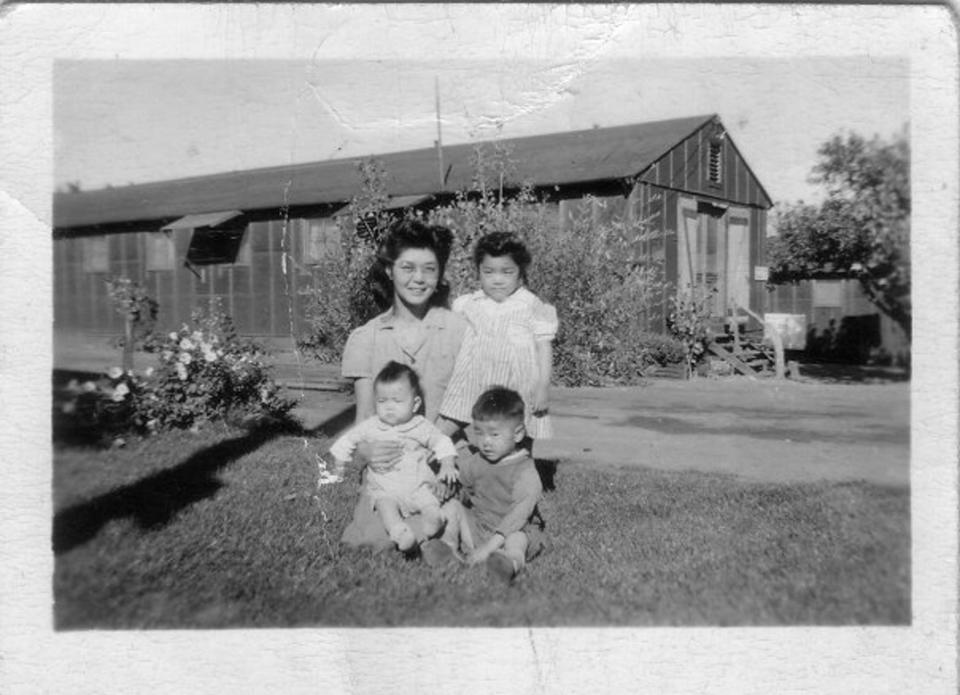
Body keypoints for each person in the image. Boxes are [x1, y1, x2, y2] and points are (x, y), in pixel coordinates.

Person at [338, 218, 468, 552]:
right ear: (389, 271)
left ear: (439, 275)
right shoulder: (365, 338)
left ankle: (447, 519)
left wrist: (425, 448)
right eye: (407, 267)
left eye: (429, 268)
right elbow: (365, 418)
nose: (418, 278)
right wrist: (366, 451)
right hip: (391, 465)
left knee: (435, 501)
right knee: (366, 542)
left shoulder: (459, 330)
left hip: (442, 457)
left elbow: (465, 406)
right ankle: (440, 525)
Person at [438, 231, 558, 452]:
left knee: (520, 432)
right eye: (488, 272)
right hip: (475, 379)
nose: (497, 279)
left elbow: (543, 348)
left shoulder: (531, 305)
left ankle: (520, 474)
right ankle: (429, 455)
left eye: (506, 272)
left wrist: (542, 387)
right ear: (479, 272)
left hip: (517, 382)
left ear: (520, 273)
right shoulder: (470, 304)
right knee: (449, 422)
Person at [327, 361, 458, 552]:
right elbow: (347, 440)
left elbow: (442, 442)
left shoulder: (420, 426)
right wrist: (339, 464)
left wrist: (447, 464)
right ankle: (401, 534)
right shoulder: (371, 426)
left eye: (397, 401)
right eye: (382, 401)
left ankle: (433, 519)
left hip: (417, 484)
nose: (389, 407)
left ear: (415, 404)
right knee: (384, 506)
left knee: (428, 500)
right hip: (385, 488)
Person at [439, 386, 546, 583]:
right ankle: (447, 551)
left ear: (518, 434)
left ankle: (509, 564)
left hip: (510, 534)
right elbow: (463, 486)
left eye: (494, 435)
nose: (486, 442)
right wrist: (445, 489)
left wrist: (488, 548)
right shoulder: (477, 461)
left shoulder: (526, 472)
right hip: (479, 530)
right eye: (479, 433)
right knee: (452, 507)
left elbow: (517, 517)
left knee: (518, 539)